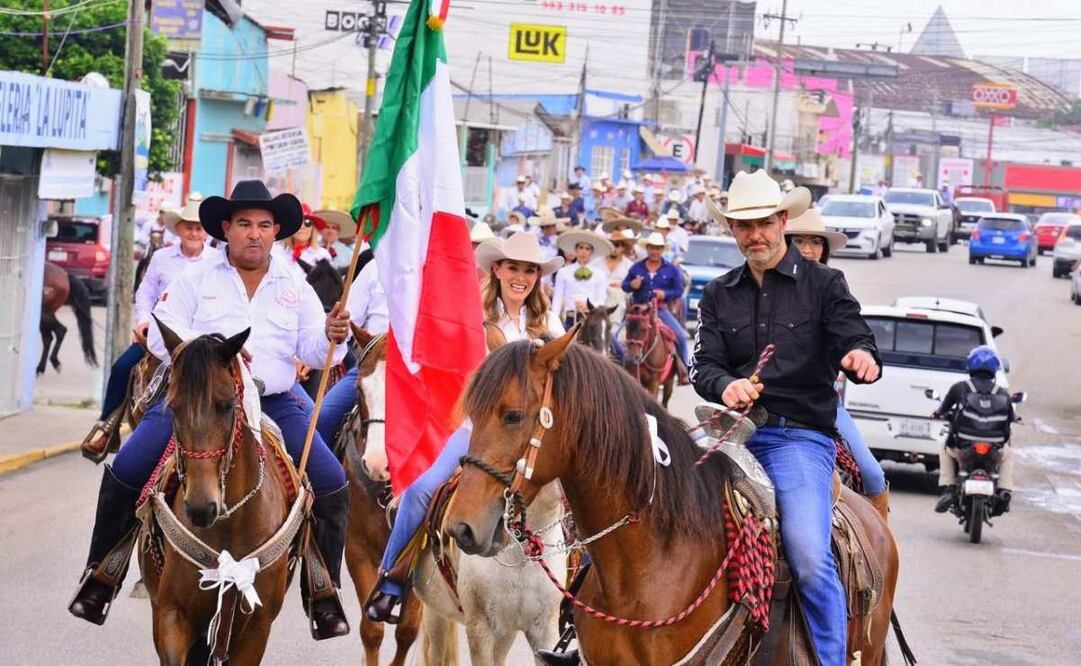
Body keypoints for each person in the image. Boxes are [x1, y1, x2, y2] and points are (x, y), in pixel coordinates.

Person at [68, 180, 353, 639]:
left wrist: (332, 335)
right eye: (244, 224)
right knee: (127, 469)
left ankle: (323, 590)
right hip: (200, 400)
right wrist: (214, 353)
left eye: (264, 225)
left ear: (276, 231)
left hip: (276, 401)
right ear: (227, 228)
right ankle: (103, 573)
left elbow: (316, 351)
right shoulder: (194, 278)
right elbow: (162, 338)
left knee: (333, 484)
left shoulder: (292, 283)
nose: (254, 234)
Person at [691, 170, 881, 666]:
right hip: (729, 436)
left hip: (797, 438)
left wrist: (861, 356)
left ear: (781, 221)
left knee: (808, 555)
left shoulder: (824, 284)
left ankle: (831, 660)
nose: (754, 235)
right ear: (732, 229)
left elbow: (854, 335)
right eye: (742, 225)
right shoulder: (717, 294)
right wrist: (725, 385)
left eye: (763, 223)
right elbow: (701, 364)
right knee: (652, 511)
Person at [364, 232, 564, 622]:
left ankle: (578, 595)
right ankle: (391, 582)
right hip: (481, 429)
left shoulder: (549, 322)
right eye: (514, 268)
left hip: (538, 433)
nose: (520, 277)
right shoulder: (474, 317)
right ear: (498, 270)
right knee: (422, 491)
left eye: (529, 270)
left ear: (537, 276)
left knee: (582, 494)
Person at [81, 194, 218, 459]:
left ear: (205, 231)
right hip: (160, 334)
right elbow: (144, 294)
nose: (193, 232)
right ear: (178, 229)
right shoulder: (161, 258)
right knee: (122, 367)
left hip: (200, 338)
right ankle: (106, 428)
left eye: (198, 227)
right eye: (188, 226)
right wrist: (143, 321)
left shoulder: (216, 261)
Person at [784, 209, 890, 519]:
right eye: (799, 241)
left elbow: (852, 330)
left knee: (871, 473)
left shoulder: (832, 289)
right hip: (763, 406)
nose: (807, 249)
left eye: (815, 242)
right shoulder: (762, 288)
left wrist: (859, 353)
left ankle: (880, 549)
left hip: (820, 404)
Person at [315, 253, 389, 448]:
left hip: (418, 372)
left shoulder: (438, 272)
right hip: (372, 364)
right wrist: (337, 332)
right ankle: (321, 477)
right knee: (323, 417)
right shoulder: (375, 268)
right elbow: (348, 318)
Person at [932, 345, 1016, 515]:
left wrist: (938, 413)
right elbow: (1011, 417)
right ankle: (1004, 490)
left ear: (970, 365)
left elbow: (943, 409)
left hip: (964, 448)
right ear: (995, 368)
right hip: (994, 450)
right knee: (1009, 454)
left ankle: (949, 487)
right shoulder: (1002, 393)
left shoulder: (960, 388)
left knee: (944, 448)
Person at [622, 232, 690, 384]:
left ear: (662, 250)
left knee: (680, 336)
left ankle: (683, 370)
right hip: (637, 311)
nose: (655, 251)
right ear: (647, 248)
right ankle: (618, 369)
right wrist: (632, 285)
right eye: (652, 248)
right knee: (617, 335)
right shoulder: (636, 268)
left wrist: (664, 294)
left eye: (658, 248)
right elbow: (624, 286)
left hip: (661, 310)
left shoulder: (671, 269)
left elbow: (678, 290)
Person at [551, 230, 612, 329]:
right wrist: (553, 321)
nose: (583, 251)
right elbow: (557, 299)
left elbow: (601, 299)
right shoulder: (563, 272)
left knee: (609, 341)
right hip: (570, 318)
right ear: (576, 250)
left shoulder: (599, 273)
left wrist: (588, 305)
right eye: (581, 247)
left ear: (592, 252)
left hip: (592, 318)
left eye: (587, 249)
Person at [277, 204, 333, 279]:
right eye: (298, 222)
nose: (302, 227)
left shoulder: (322, 255)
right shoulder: (277, 251)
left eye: (307, 222)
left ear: (313, 228)